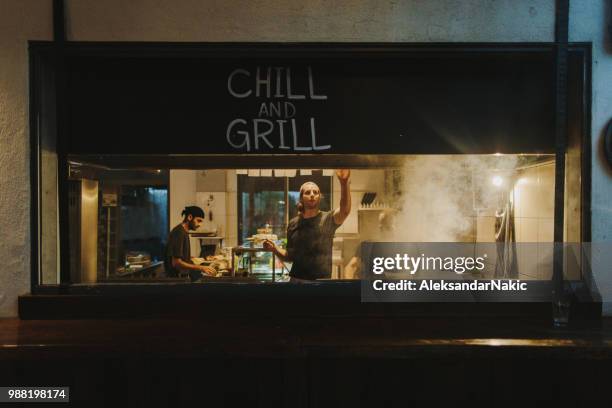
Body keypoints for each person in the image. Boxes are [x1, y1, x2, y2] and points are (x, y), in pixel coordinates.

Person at [264, 170, 351, 280]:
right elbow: (289, 256)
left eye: (315, 192)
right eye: (308, 192)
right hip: (296, 281)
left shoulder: (328, 219)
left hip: (321, 282)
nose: (312, 195)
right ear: (301, 198)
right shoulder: (293, 224)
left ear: (320, 197)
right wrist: (274, 249)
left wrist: (344, 183)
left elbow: (345, 211)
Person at [165, 206, 216, 282]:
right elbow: (176, 263)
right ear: (189, 217)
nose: (200, 224)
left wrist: (196, 259)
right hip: (177, 280)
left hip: (182, 277)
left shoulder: (184, 232)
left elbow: (181, 257)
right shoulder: (179, 232)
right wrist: (201, 268)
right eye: (198, 221)